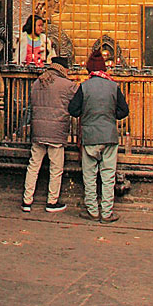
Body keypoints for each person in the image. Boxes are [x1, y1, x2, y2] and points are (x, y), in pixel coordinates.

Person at [67, 46, 129, 222]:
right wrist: (110, 116)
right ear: (104, 68)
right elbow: (124, 111)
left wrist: (86, 112)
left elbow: (73, 109)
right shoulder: (113, 86)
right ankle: (107, 212)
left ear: (89, 69)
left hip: (90, 136)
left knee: (90, 175)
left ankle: (92, 210)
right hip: (109, 135)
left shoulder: (84, 87)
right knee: (108, 175)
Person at [22, 53, 75, 213]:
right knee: (56, 167)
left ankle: (27, 200)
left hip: (38, 130)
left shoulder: (38, 82)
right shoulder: (67, 85)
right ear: (64, 69)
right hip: (56, 131)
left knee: (33, 165)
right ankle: (52, 202)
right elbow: (78, 101)